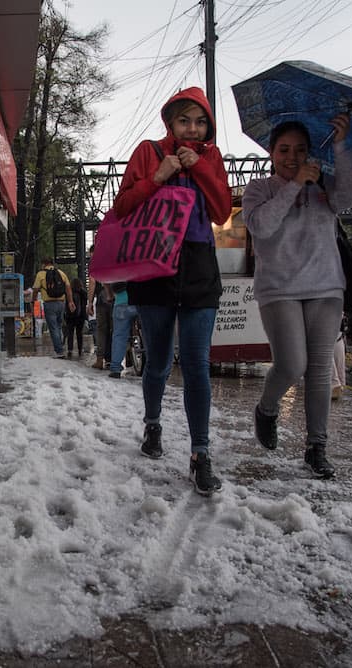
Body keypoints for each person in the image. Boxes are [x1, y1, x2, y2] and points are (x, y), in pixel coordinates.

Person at [111, 86, 231, 496]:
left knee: (197, 362)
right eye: (184, 120)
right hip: (154, 264)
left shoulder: (211, 157)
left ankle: (201, 453)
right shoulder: (148, 152)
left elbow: (220, 210)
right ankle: (153, 426)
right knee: (159, 362)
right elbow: (122, 207)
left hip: (198, 265)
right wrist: (158, 176)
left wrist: (198, 167)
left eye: (200, 122)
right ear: (170, 122)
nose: (193, 129)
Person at [242, 114, 352, 479]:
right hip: (279, 290)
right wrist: (294, 185)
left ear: (311, 152)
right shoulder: (259, 189)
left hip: (326, 286)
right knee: (292, 364)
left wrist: (340, 146)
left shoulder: (323, 186)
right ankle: (266, 409)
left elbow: (350, 197)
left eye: (300, 150)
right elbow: (261, 226)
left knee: (320, 369)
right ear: (271, 152)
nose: (292, 157)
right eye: (283, 150)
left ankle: (316, 446)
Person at [30, 258, 75, 358]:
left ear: (43, 264)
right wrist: (71, 302)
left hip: (49, 304)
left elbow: (36, 290)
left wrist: (33, 301)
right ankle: (60, 346)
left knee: (53, 328)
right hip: (61, 303)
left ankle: (59, 351)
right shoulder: (61, 273)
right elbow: (68, 289)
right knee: (58, 326)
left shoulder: (41, 274)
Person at [107, 283, 136, 379]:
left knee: (119, 336)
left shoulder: (115, 266)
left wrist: (110, 295)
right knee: (147, 333)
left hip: (120, 301)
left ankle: (115, 369)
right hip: (139, 300)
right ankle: (153, 366)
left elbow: (106, 281)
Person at [64, 278, 88, 358]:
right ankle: (80, 349)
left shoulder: (69, 292)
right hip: (80, 316)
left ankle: (70, 349)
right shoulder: (83, 292)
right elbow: (85, 304)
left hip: (70, 315)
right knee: (79, 333)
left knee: (70, 333)